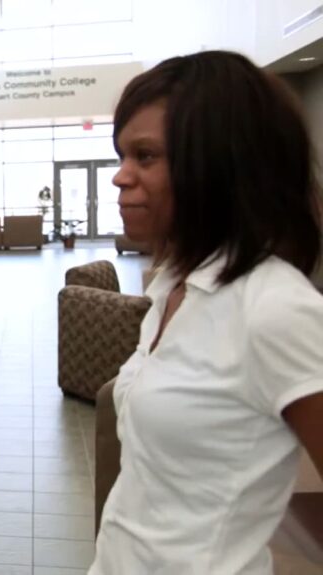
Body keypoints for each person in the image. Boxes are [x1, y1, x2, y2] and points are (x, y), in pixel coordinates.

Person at [90, 50, 323, 574]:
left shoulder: (276, 310)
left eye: (145, 156)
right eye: (121, 155)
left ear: (217, 167)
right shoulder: (174, 287)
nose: (120, 177)